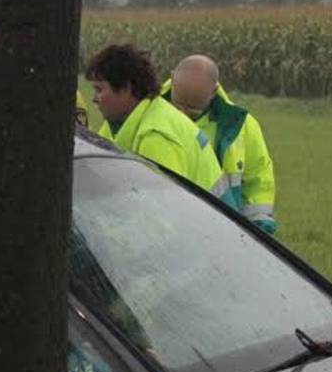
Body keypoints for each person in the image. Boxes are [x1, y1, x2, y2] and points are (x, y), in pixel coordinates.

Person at [85, 44, 235, 206]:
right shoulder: (125, 120)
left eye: (99, 90)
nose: (94, 98)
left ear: (127, 89)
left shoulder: (156, 136)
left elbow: (162, 212)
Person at [165, 54, 277, 233]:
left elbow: (259, 179)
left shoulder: (242, 126)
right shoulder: (145, 115)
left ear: (214, 91)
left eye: (193, 112)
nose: (183, 117)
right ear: (172, 78)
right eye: (177, 108)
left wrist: (259, 228)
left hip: (222, 232)